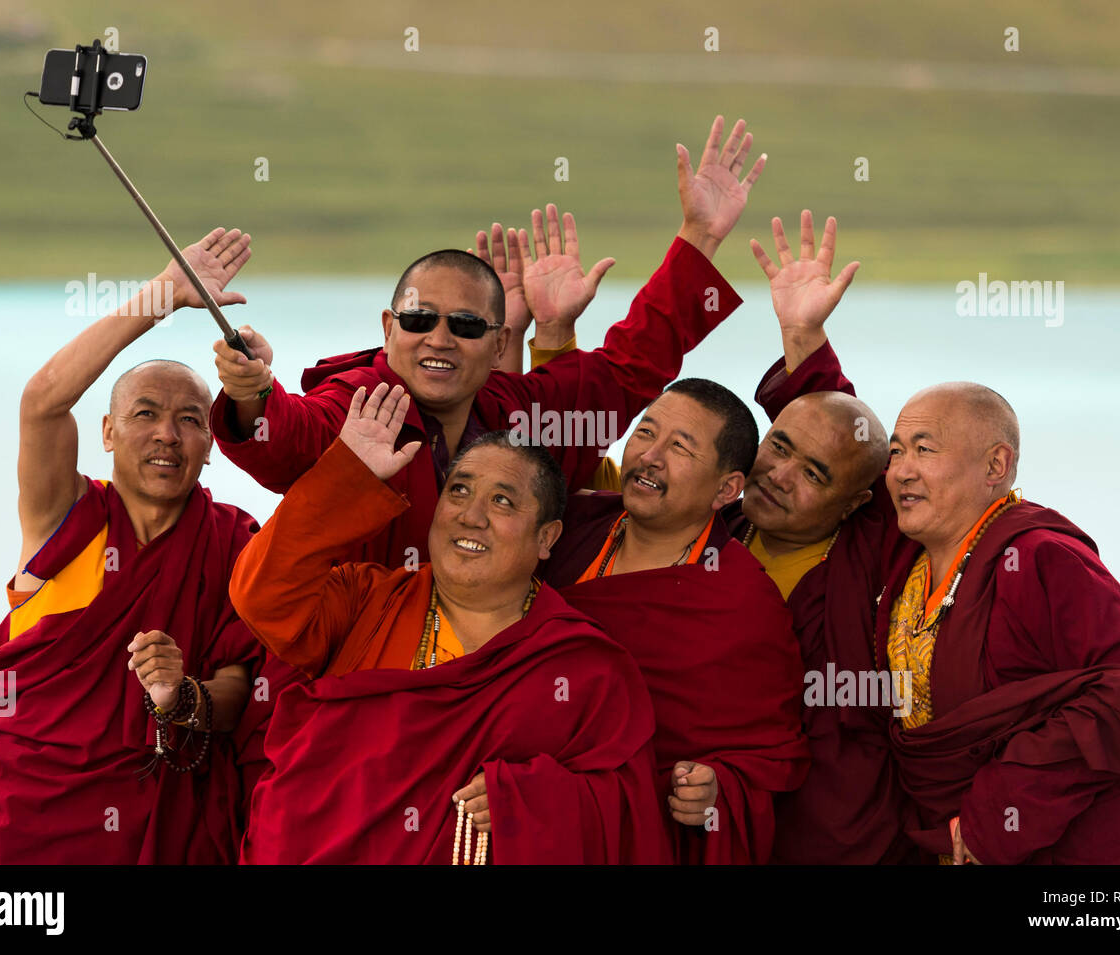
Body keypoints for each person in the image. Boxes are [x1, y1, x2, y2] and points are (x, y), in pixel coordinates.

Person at [209, 116, 766, 568]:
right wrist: (252, 392)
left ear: (498, 340)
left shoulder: (524, 416)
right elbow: (286, 435)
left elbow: (629, 367)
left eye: (467, 326)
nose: (440, 339)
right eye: (419, 319)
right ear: (387, 327)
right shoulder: (361, 408)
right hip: (362, 671)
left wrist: (700, 235)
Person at [0, 229, 301, 864]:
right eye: (144, 414)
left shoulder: (232, 541)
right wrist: (163, 294)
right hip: (26, 817)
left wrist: (181, 696)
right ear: (108, 432)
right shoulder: (67, 514)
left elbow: (239, 687)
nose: (167, 435)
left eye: (191, 420)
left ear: (211, 443)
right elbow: (42, 401)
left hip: (159, 822)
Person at [230, 383, 670, 863]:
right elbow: (262, 596)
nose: (471, 516)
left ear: (547, 537)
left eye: (503, 501)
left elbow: (627, 812)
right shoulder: (367, 600)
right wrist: (345, 475)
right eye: (459, 490)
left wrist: (529, 797)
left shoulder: (581, 665)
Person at [879, 381, 1120, 864]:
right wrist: (804, 337)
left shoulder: (1040, 558)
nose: (900, 471)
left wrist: (997, 813)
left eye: (924, 449)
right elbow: (827, 464)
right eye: (895, 451)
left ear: (995, 465)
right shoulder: (903, 564)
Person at [540, 378, 809, 864]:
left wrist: (715, 790)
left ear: (727, 489)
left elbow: (771, 757)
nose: (650, 457)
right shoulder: (567, 525)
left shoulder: (741, 600)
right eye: (646, 432)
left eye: (680, 447)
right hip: (521, 800)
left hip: (630, 829)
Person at [714, 209, 913, 863]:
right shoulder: (710, 529)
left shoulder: (872, 556)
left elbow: (865, 453)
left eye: (814, 475)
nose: (778, 476)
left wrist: (808, 339)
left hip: (829, 824)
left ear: (856, 502)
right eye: (779, 446)